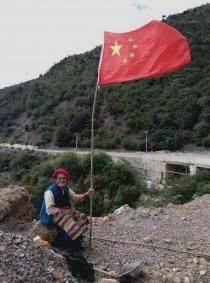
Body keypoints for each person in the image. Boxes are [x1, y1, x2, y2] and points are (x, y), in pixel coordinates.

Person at [39, 168, 94, 249]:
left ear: (66, 179)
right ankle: (68, 247)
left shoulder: (66, 189)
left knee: (83, 218)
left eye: (64, 178)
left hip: (64, 211)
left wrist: (87, 194)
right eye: (59, 178)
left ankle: (76, 241)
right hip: (50, 215)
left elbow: (75, 198)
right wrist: (65, 211)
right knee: (70, 223)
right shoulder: (49, 192)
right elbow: (50, 209)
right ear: (56, 180)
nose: (62, 180)